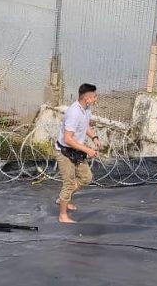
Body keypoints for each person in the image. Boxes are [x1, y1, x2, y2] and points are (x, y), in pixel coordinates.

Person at [55, 83, 101, 223]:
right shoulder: (74, 113)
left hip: (76, 150)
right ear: (86, 98)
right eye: (94, 96)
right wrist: (88, 150)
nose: (96, 99)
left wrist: (94, 137)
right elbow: (68, 139)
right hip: (65, 152)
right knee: (68, 184)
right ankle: (63, 216)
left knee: (86, 177)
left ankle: (64, 197)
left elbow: (85, 125)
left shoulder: (86, 109)